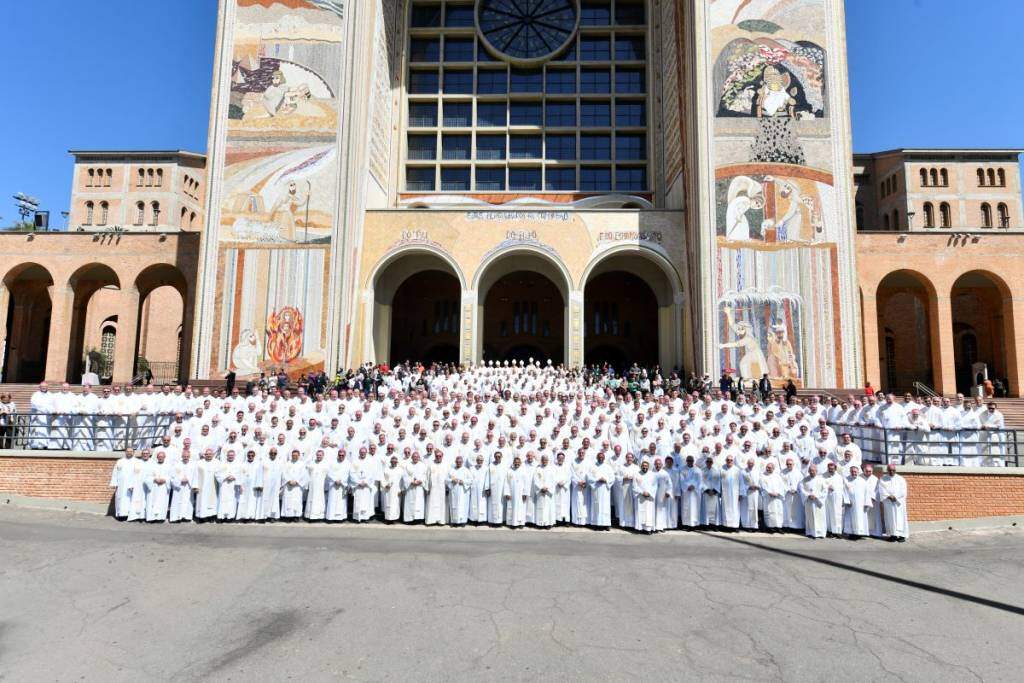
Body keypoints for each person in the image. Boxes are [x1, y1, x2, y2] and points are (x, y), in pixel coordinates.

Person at [877, 464, 909, 542]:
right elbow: (881, 490)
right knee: (890, 519)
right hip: (888, 502)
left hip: (898, 502)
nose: (891, 472)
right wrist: (889, 496)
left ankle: (902, 535)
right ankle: (892, 535)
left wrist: (895, 496)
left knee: (900, 518)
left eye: (893, 470)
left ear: (895, 470)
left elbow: (903, 490)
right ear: (887, 470)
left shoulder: (901, 479)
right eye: (890, 470)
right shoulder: (883, 479)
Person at [799, 463, 827, 539]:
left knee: (819, 517)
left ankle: (820, 533)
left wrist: (816, 496)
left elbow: (825, 490)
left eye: (814, 471)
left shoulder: (821, 480)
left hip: (818, 502)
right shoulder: (804, 480)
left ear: (816, 471)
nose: (812, 472)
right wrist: (808, 495)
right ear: (808, 471)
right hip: (809, 501)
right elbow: (801, 489)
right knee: (810, 517)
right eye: (810, 470)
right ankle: (810, 532)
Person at [588, 451, 615, 529]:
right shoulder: (593, 467)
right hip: (596, 489)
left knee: (605, 507)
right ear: (597, 458)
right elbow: (589, 477)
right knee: (596, 505)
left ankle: (606, 524)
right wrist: (597, 479)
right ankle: (596, 523)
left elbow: (612, 478)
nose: (601, 458)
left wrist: (606, 480)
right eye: (599, 457)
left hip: (605, 490)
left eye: (602, 457)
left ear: (604, 458)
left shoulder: (608, 467)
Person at [402, 452, 428, 523]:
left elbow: (425, 475)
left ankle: (418, 519)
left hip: (419, 487)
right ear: (412, 457)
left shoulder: (423, 465)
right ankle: (409, 519)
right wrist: (411, 481)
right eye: (414, 457)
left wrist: (421, 480)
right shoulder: (408, 465)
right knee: (410, 503)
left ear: (419, 458)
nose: (415, 458)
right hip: (410, 487)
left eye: (417, 457)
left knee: (419, 503)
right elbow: (404, 476)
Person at [759, 461, 785, 532]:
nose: (768, 469)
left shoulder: (777, 476)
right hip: (768, 497)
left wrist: (778, 493)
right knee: (769, 512)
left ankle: (779, 527)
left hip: (777, 497)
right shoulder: (762, 476)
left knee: (778, 512)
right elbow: (762, 486)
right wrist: (769, 493)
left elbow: (782, 486)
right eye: (767, 467)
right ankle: (770, 527)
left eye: (770, 468)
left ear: (773, 468)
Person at [425, 451, 448, 526]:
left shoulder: (445, 465)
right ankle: (431, 521)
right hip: (433, 489)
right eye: (437, 456)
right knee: (431, 503)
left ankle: (441, 521)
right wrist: (427, 488)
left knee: (441, 504)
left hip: (442, 488)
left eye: (440, 456)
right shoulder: (431, 465)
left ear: (442, 456)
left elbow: (448, 477)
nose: (438, 457)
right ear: (434, 456)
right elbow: (427, 477)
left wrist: (447, 488)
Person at [448, 455, 472, 526]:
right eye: (457, 462)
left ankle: (463, 521)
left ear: (462, 462)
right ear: (455, 462)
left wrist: (464, 482)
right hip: (454, 491)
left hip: (463, 492)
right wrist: (452, 480)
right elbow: (446, 480)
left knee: (463, 506)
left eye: (460, 462)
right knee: (454, 505)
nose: (459, 463)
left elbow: (470, 480)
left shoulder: (466, 470)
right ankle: (454, 521)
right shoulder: (452, 470)